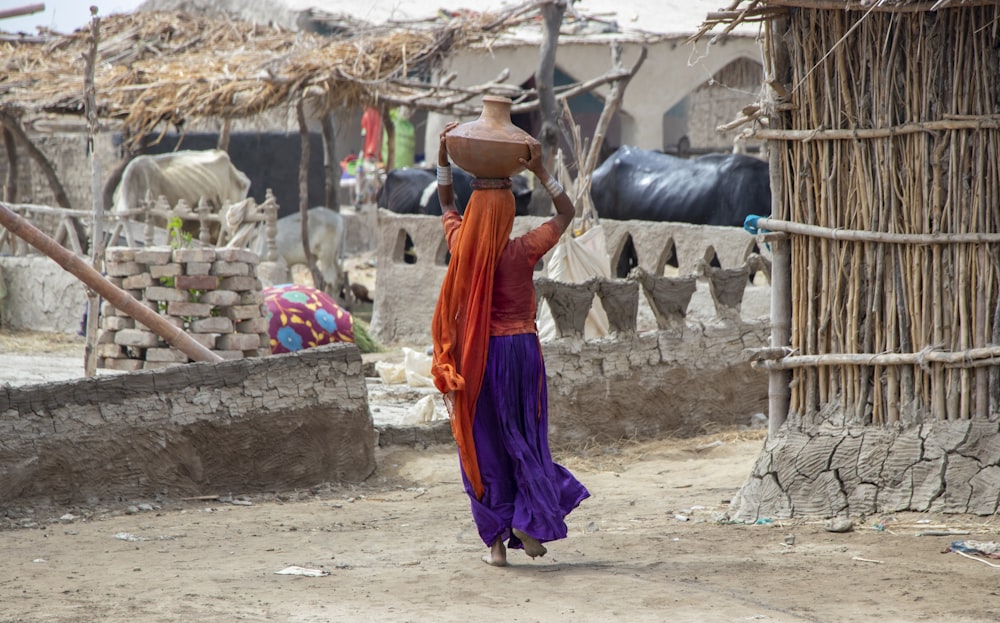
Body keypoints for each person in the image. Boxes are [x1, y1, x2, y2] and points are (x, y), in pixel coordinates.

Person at [431, 122, 590, 567]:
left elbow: (446, 201)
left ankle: (497, 546)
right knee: (524, 437)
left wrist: (444, 161)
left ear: (477, 213)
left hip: (479, 358)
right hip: (521, 355)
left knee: (482, 444)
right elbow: (566, 213)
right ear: (507, 216)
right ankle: (529, 517)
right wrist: (542, 171)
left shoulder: (461, 244)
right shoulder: (524, 250)